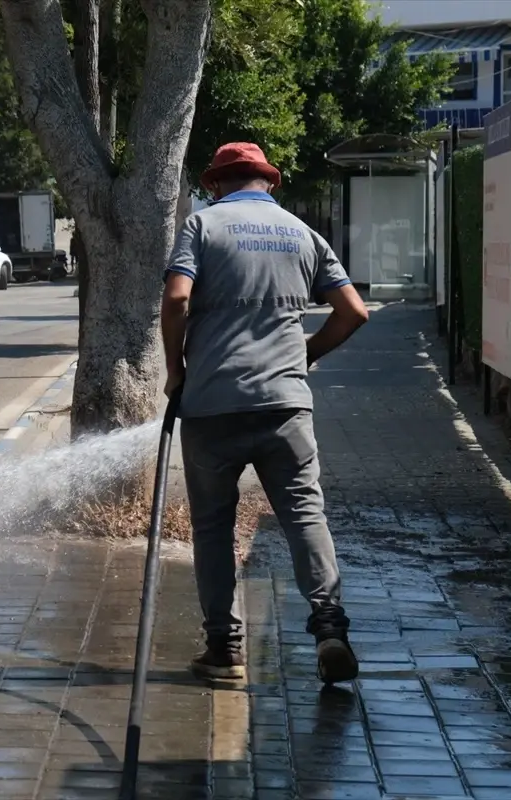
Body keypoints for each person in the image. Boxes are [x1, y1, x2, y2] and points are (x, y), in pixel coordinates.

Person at [160, 142, 370, 685]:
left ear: (216, 184)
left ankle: (224, 650)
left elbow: (178, 298)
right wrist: (304, 354)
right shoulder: (305, 235)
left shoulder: (202, 227)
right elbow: (354, 311)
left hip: (212, 408)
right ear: (269, 183)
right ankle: (329, 628)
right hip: (286, 408)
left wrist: (176, 370)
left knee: (212, 528)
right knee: (304, 515)